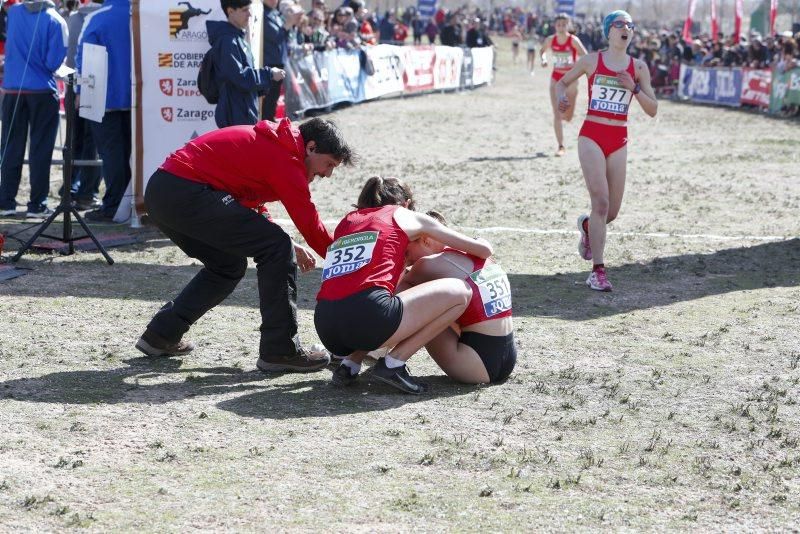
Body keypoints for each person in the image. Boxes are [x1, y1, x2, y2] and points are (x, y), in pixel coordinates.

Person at [137, 118, 355, 373]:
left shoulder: (279, 144)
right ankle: (280, 351)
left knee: (227, 266)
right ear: (311, 147)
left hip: (163, 194)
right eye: (329, 164)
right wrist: (346, 263)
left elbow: (250, 208)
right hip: (187, 192)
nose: (327, 174)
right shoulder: (286, 157)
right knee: (275, 247)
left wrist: (291, 244)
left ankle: (161, 335)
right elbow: (309, 222)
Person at [315, 177, 493, 394]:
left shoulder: (348, 221)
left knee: (373, 297)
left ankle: (350, 365)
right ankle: (393, 364)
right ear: (406, 204)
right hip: (366, 319)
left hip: (325, 325)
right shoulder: (405, 216)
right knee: (460, 293)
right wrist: (484, 242)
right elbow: (482, 251)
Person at [555, 10, 657, 292]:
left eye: (630, 25)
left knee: (610, 213)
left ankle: (588, 227)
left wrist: (634, 88)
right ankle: (597, 271)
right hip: (592, 135)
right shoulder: (591, 61)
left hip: (619, 139)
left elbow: (653, 109)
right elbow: (562, 82)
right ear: (608, 32)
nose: (626, 28)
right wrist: (562, 97)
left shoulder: (639, 68)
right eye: (619, 24)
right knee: (600, 202)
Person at [397, 211, 515, 384]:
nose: (406, 256)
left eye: (406, 250)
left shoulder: (427, 265)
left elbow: (396, 294)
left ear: (425, 239)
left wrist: (401, 265)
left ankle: (391, 359)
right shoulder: (474, 250)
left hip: (471, 364)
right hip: (508, 357)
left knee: (415, 300)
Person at [0, 0, 67, 219]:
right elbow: (53, 63)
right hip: (42, 92)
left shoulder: (15, 12)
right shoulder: (56, 20)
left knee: (10, 146)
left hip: (12, 90)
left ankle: (6, 201)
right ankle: (36, 205)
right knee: (41, 150)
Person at [75, 0, 132, 222]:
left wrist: (80, 91)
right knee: (131, 154)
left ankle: (114, 206)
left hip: (103, 98)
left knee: (111, 154)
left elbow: (83, 58)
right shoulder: (141, 16)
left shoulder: (97, 18)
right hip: (137, 98)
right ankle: (131, 204)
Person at [207, 0, 285, 128]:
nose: (249, 14)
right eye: (244, 10)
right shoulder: (227, 41)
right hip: (235, 114)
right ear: (230, 11)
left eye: (249, 10)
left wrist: (261, 88)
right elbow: (239, 76)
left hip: (243, 111)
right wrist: (269, 74)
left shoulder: (237, 38)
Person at [540, 13, 587, 157]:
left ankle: (568, 114)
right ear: (555, 26)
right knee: (557, 113)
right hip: (556, 78)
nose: (561, 27)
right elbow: (542, 51)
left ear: (568, 25)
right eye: (558, 25)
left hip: (570, 79)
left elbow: (585, 56)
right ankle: (560, 146)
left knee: (568, 116)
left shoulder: (573, 40)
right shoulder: (550, 40)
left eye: (564, 24)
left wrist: (577, 66)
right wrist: (543, 59)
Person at [261, 0, 289, 121]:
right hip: (269, 61)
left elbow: (284, 37)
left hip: (278, 59)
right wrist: (288, 25)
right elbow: (275, 36)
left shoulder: (276, 13)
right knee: (269, 94)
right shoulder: (262, 13)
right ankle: (266, 119)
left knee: (275, 93)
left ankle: (270, 117)